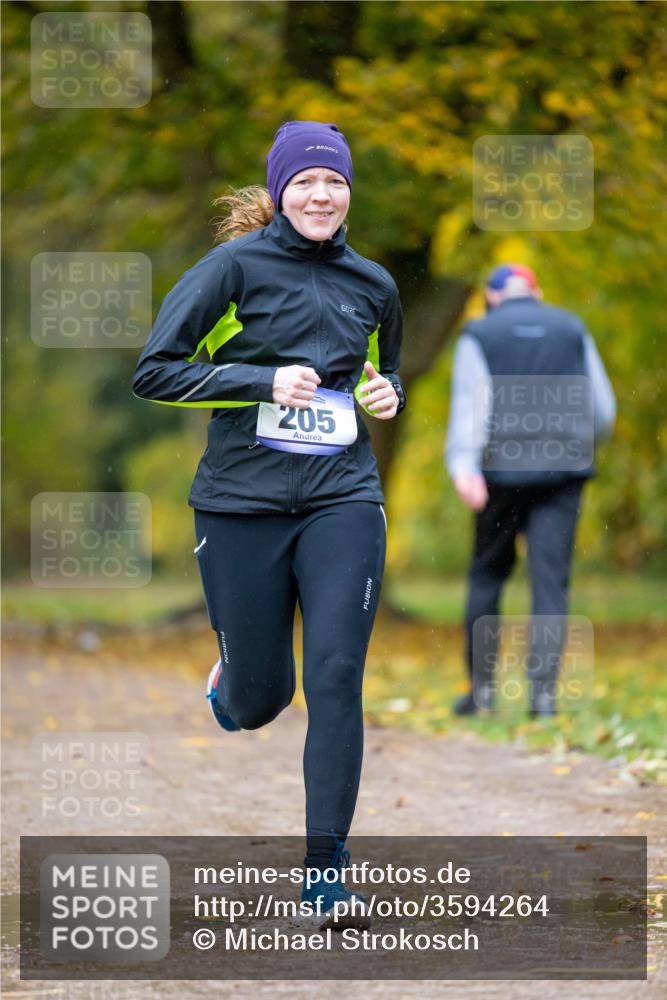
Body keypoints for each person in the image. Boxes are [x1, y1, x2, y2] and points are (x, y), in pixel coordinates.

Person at [132, 120, 406, 927]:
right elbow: (155, 372)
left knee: (334, 676)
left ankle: (325, 871)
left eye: (335, 183)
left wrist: (383, 395)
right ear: (282, 190)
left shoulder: (374, 284)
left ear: (348, 191)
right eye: (305, 183)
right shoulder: (230, 268)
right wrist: (261, 380)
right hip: (240, 502)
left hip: (341, 498)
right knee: (262, 701)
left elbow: (378, 371)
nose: (321, 195)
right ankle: (235, 681)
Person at [445, 264, 615, 717]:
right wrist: (575, 444)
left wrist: (465, 465)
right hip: (563, 474)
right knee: (550, 584)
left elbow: (471, 403)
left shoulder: (480, 333)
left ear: (493, 296)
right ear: (534, 291)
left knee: (487, 576)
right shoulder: (570, 327)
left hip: (499, 475)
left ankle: (482, 695)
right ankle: (543, 698)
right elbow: (602, 409)